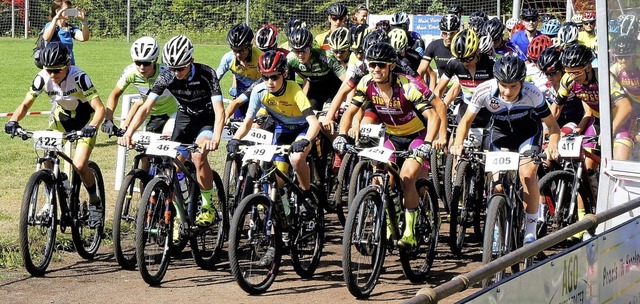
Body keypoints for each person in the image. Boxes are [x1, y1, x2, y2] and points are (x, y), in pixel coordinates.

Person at [333, 42, 447, 247]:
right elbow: (350, 112)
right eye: (372, 64)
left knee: (406, 178)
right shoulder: (366, 82)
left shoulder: (407, 85)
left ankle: (410, 232)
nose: (376, 69)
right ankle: (388, 222)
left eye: (381, 65)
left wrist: (429, 141)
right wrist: (342, 135)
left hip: (416, 136)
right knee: (379, 180)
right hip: (391, 136)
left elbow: (432, 115)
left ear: (391, 66)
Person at [450, 53, 561, 245]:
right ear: (497, 81)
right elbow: (465, 121)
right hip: (500, 135)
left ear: (522, 82)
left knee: (527, 174)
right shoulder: (483, 90)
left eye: (514, 86)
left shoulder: (533, 93)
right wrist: (458, 142)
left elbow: (553, 126)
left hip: (527, 134)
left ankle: (530, 229)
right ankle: (495, 226)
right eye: (504, 85)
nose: (508, 91)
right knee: (498, 186)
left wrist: (552, 144)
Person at [118, 35, 225, 227]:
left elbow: (219, 110)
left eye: (180, 68)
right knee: (171, 167)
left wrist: (216, 137)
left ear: (191, 61)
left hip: (206, 118)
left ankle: (208, 206)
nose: (175, 73)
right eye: (172, 68)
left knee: (199, 156)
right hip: (185, 118)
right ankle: (179, 213)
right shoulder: (166, 75)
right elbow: (146, 107)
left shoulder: (207, 74)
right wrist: (129, 131)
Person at [5, 42, 106, 226]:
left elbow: (100, 108)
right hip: (61, 118)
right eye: (48, 70)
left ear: (67, 64)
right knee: (47, 158)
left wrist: (93, 126)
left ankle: (94, 201)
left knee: (79, 164)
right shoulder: (42, 78)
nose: (52, 75)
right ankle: (55, 192)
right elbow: (26, 104)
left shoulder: (80, 77)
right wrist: (14, 121)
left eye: (57, 70)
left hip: (86, 121)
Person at [226, 50, 321, 222]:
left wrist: (306, 140)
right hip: (282, 131)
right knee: (276, 185)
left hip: (302, 130)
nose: (270, 82)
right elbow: (248, 122)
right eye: (265, 77)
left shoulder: (294, 90)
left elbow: (314, 123)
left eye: (275, 77)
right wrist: (236, 139)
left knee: (296, 158)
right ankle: (279, 225)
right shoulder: (259, 91)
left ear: (284, 74)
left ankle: (306, 196)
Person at [554, 44, 633, 161]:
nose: (573, 76)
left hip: (620, 121)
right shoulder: (568, 79)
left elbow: (626, 107)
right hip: (598, 120)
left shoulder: (604, 77)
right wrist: (548, 130)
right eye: (568, 71)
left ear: (588, 67)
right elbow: (556, 108)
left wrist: (609, 131)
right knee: (587, 165)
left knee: (619, 161)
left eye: (576, 72)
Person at [102, 36, 177, 136]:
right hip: (149, 114)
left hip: (172, 112)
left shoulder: (165, 73)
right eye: (138, 63)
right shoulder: (130, 72)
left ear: (154, 61)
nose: (142, 68)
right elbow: (114, 95)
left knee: (168, 140)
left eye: (146, 63)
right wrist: (108, 119)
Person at [287, 27, 346, 111]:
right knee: (311, 112)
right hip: (315, 90)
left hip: (332, 87)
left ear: (311, 47)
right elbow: (289, 84)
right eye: (296, 51)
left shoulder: (326, 57)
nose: (300, 55)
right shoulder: (290, 59)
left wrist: (345, 101)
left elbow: (347, 81)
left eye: (303, 50)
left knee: (329, 116)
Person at [216, 23, 262, 119]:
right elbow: (214, 81)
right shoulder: (228, 58)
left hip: (260, 96)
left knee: (257, 125)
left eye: (242, 50)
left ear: (250, 46)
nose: (238, 54)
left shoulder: (260, 58)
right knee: (236, 125)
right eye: (234, 50)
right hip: (241, 94)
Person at [418, 13, 460, 90]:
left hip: (460, 89)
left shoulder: (463, 47)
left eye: (452, 33)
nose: (448, 37)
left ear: (457, 32)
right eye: (445, 33)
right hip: (442, 89)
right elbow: (420, 71)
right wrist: (425, 90)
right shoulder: (434, 46)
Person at [42, 0, 90, 65]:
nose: (69, 12)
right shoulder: (50, 26)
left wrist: (83, 22)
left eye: (70, 9)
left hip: (69, 67)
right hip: (54, 68)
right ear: (57, 11)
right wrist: (56, 18)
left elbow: (84, 38)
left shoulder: (70, 28)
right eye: (67, 9)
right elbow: (46, 37)